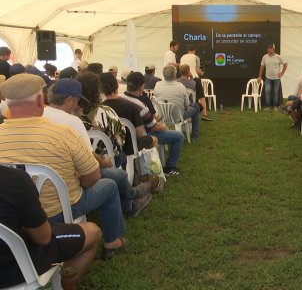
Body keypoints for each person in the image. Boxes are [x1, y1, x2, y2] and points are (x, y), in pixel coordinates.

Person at [0, 74, 127, 260]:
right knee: (109, 185)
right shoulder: (64, 133)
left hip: (12, 218)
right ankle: (112, 242)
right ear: (40, 100)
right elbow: (92, 177)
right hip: (59, 210)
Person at [45, 79, 153, 216]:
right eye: (77, 100)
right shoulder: (74, 121)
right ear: (69, 100)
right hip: (74, 174)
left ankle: (132, 197)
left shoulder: (41, 115)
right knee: (118, 173)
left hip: (51, 173)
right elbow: (89, 154)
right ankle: (131, 198)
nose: (78, 103)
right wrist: (104, 162)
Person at [0, 166, 102, 290]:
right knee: (93, 231)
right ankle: (68, 285)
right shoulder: (14, 179)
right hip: (15, 267)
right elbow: (43, 238)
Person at [123, 71, 184, 176]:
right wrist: (165, 127)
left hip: (125, 138)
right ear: (141, 87)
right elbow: (154, 126)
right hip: (141, 138)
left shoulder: (121, 98)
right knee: (179, 136)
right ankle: (170, 167)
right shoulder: (140, 104)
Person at [154, 65, 200, 142]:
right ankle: (194, 136)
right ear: (174, 75)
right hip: (178, 117)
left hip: (162, 117)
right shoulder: (180, 86)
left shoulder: (157, 85)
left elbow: (156, 98)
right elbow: (187, 105)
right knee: (196, 106)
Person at [180, 45, 211, 121]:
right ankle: (204, 115)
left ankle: (187, 115)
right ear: (194, 50)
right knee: (201, 97)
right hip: (194, 78)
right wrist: (201, 72)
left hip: (183, 80)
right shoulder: (196, 57)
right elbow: (197, 70)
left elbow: (181, 68)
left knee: (186, 98)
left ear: (188, 50)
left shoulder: (182, 57)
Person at [257, 44, 288, 110]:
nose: (269, 50)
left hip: (276, 78)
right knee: (267, 91)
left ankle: (275, 106)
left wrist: (282, 72)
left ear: (273, 49)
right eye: (268, 48)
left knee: (276, 92)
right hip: (268, 78)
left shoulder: (278, 57)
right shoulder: (265, 57)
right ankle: (268, 106)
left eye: (270, 48)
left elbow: (285, 64)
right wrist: (259, 76)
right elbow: (262, 66)